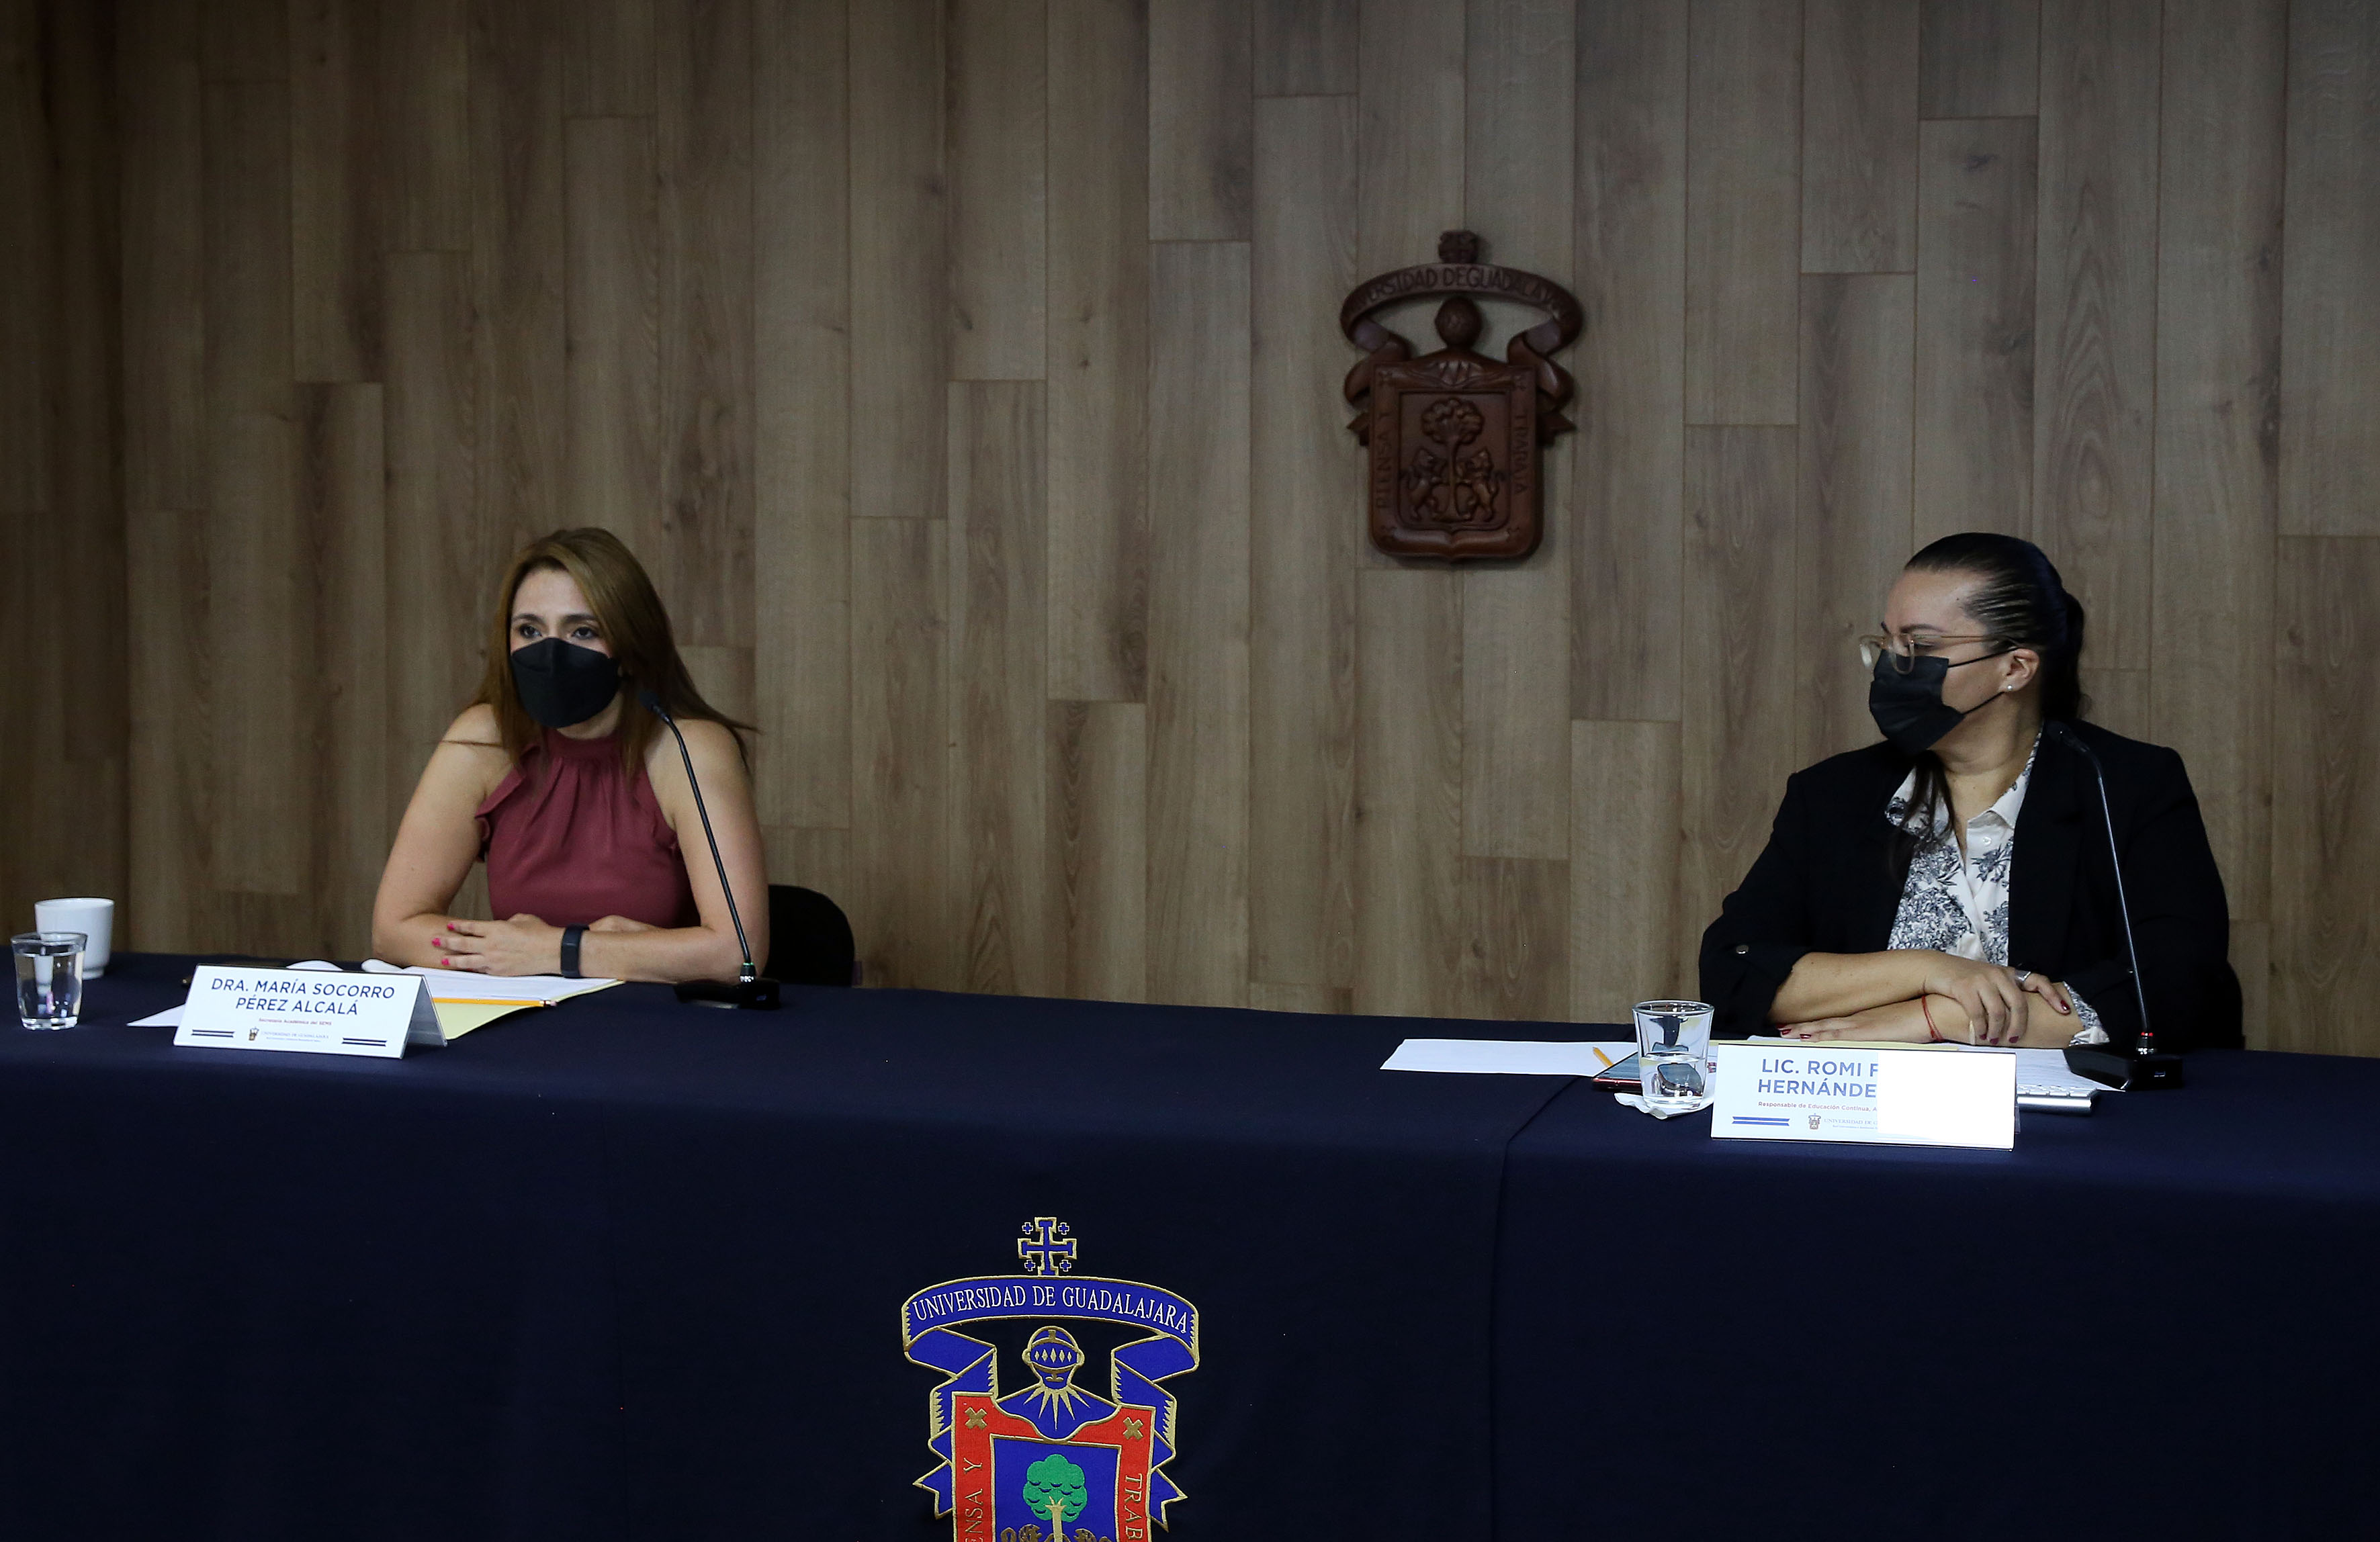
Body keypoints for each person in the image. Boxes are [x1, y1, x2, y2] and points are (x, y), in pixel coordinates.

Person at [1699, 533, 2241, 1050]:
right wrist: (1929, 970)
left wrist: (1935, 1018)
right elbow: (1733, 970)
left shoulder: (2122, 784)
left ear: (2015, 667)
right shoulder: (1833, 794)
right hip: (1867, 1102)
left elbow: (2178, 982)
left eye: (1918, 645)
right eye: (1886, 643)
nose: (1891, 665)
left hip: (2068, 1109)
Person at [371, 528, 768, 982]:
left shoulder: (686, 746)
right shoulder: (485, 739)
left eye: (582, 631)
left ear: (630, 647)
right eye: (530, 630)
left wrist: (558, 951)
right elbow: (393, 931)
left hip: (654, 1016)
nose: (551, 653)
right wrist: (516, 951)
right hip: (525, 1013)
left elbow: (739, 954)